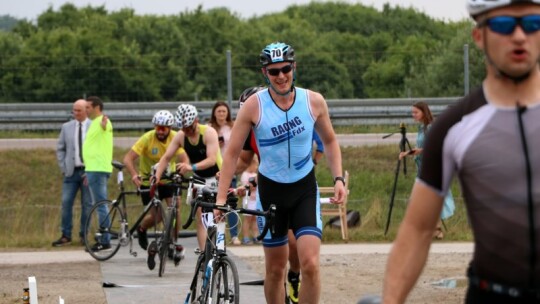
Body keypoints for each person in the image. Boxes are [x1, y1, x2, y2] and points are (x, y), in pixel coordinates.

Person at [383, 1, 540, 303]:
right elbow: (417, 230)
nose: (520, 36)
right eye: (505, 24)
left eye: (532, 24)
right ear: (479, 36)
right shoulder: (454, 126)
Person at [215, 42, 347, 304]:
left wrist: (339, 178)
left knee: (310, 264)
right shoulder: (253, 106)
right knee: (275, 271)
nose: (281, 76)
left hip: (304, 190)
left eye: (286, 69)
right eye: (274, 71)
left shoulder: (314, 101)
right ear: (265, 73)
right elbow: (231, 154)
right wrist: (220, 198)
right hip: (271, 192)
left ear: (294, 67)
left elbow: (330, 141)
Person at [123, 110, 188, 269]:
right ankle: (142, 228)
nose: (160, 131)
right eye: (158, 127)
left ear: (169, 128)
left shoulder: (175, 136)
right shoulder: (147, 138)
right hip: (149, 179)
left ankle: (173, 241)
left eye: (163, 128)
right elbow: (128, 158)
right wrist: (134, 176)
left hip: (167, 179)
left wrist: (182, 169)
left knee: (176, 207)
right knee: (157, 216)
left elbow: (184, 158)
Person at [154, 103, 222, 252]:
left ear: (196, 120)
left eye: (190, 128)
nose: (187, 132)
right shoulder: (181, 136)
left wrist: (191, 167)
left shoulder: (208, 132)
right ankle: (204, 253)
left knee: (218, 216)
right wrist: (157, 176)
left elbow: (211, 159)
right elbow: (166, 157)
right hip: (199, 178)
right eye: (183, 129)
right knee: (200, 218)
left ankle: (220, 249)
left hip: (217, 176)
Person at [398, 102, 455, 240]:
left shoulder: (430, 128)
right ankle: (434, 230)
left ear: (424, 112)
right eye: (412, 113)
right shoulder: (422, 128)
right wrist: (409, 153)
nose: (413, 115)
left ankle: (425, 230)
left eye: (416, 112)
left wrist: (413, 152)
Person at [52, 99, 92, 247]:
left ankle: (84, 235)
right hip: (71, 172)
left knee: (87, 204)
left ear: (86, 110)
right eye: (74, 110)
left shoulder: (93, 127)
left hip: (88, 172)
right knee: (66, 202)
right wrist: (63, 167)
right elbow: (60, 148)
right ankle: (66, 235)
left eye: (79, 110)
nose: (76, 113)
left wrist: (91, 169)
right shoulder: (66, 127)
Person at [83, 96, 113, 252]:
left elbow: (105, 127)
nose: (85, 110)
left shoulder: (103, 121)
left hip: (98, 169)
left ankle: (105, 239)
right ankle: (104, 236)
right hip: (93, 169)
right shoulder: (94, 123)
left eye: (88, 107)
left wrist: (103, 124)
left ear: (96, 107)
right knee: (100, 204)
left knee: (101, 205)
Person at [208, 101, 241, 245]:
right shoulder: (210, 128)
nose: (221, 114)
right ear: (214, 113)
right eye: (219, 111)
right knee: (214, 202)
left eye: (224, 111)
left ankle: (234, 234)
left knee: (230, 201)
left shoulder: (233, 127)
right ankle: (215, 233)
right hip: (214, 167)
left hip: (228, 167)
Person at [239, 156, 260, 245]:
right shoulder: (245, 175)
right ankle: (246, 237)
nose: (256, 168)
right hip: (248, 200)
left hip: (255, 200)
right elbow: (247, 186)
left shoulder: (255, 175)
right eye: (255, 165)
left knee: (255, 219)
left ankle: (256, 236)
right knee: (247, 219)